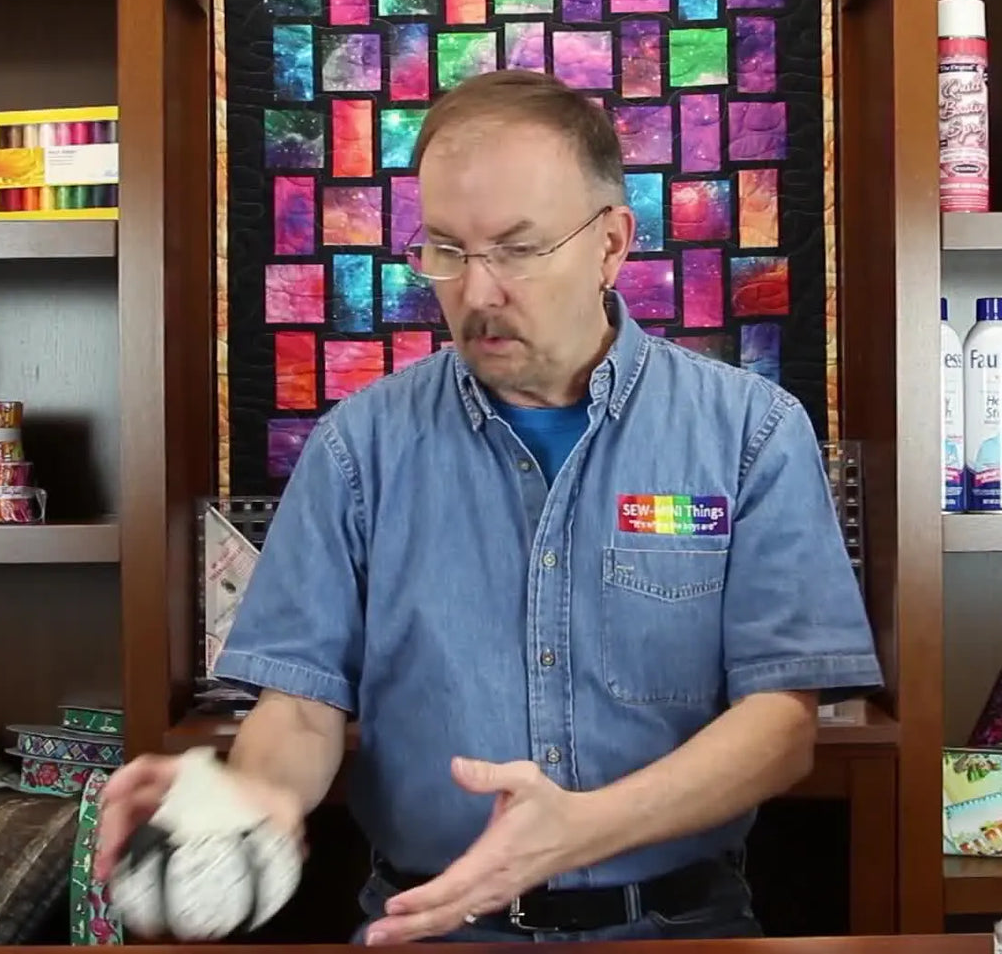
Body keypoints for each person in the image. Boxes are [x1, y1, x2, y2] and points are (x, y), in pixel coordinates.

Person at [96, 69, 882, 945]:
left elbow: (782, 727)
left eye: (517, 248)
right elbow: (304, 707)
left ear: (611, 244)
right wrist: (252, 795)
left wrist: (581, 828)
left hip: (679, 923)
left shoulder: (751, 431)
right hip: (432, 926)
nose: (476, 293)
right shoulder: (360, 448)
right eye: (446, 250)